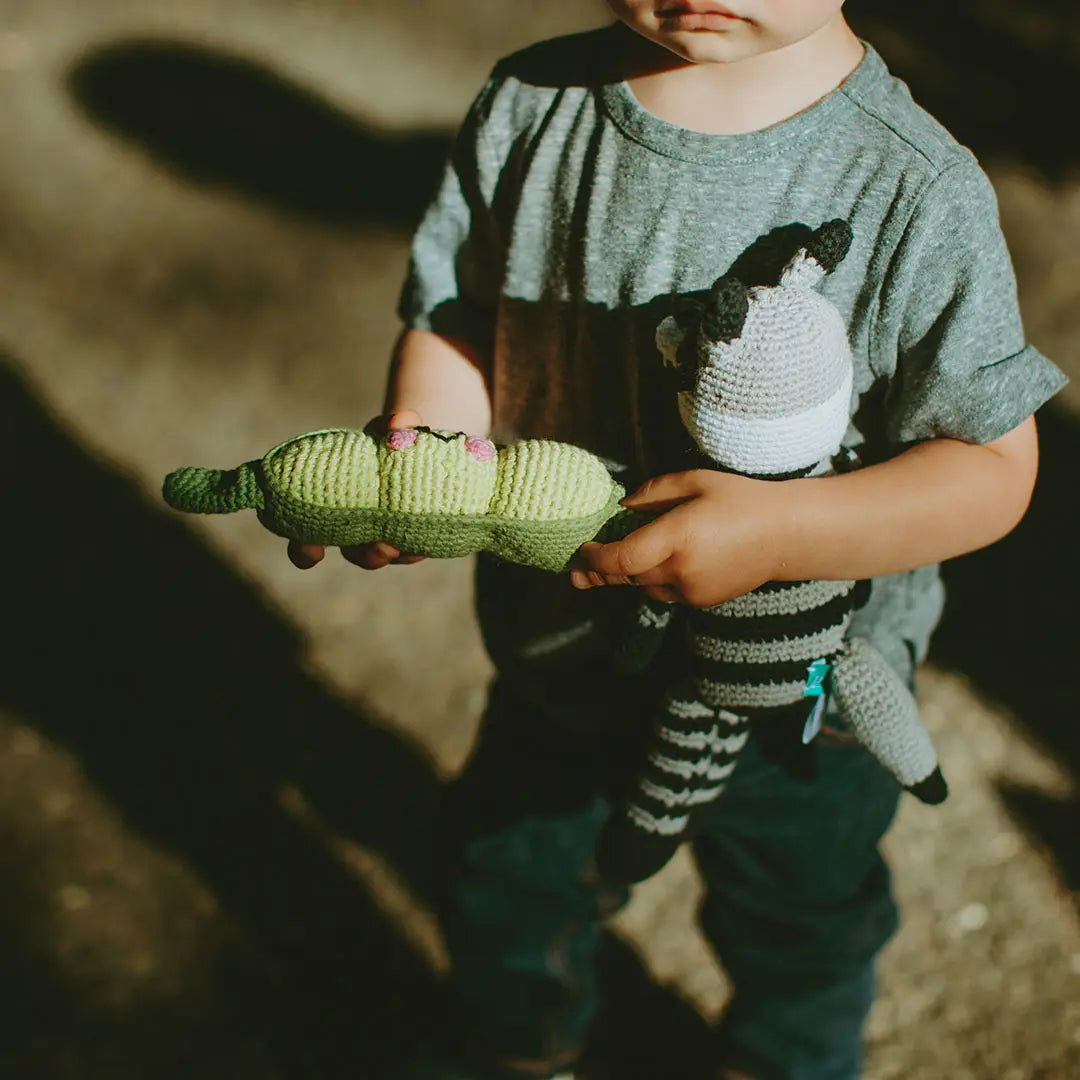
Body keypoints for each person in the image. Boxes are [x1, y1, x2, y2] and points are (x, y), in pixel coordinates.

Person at [290, 3, 1066, 1078]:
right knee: (506, 880)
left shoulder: (909, 186)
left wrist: (784, 528)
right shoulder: (531, 105)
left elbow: (991, 468)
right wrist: (426, 452)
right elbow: (462, 316)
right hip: (562, 646)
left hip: (800, 698)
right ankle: (527, 1043)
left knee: (800, 922)